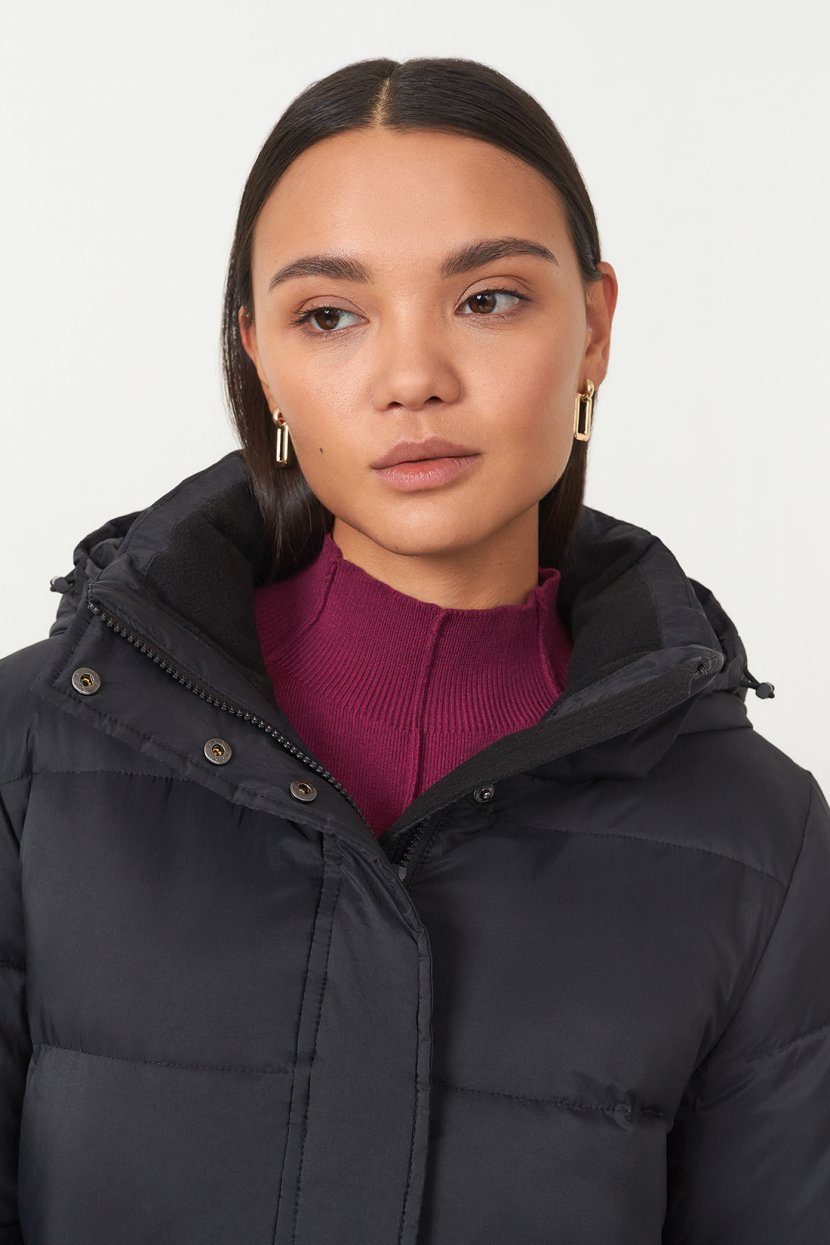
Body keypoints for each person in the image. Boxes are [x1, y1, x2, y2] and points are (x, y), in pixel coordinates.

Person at [0, 55, 828, 1245]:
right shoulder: (32, 756)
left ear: (593, 327)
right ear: (261, 358)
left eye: (486, 299)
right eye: (329, 315)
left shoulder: (757, 839)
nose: (411, 381)